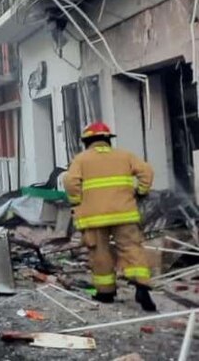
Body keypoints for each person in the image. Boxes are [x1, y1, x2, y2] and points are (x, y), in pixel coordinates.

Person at [63, 122, 157, 312]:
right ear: (108, 140)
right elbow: (147, 172)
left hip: (94, 218)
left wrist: (76, 201)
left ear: (86, 141)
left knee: (100, 253)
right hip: (124, 214)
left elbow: (70, 182)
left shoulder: (81, 159)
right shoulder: (125, 155)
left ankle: (106, 292)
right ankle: (142, 287)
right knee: (131, 248)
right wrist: (141, 191)